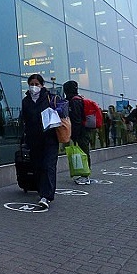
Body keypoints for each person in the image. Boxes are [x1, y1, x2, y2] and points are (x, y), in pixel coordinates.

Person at [20, 74, 61, 209]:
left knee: (49, 166)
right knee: (37, 166)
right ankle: (41, 190)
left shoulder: (49, 98)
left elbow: (62, 113)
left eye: (37, 84)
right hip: (34, 140)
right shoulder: (26, 101)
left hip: (50, 139)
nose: (34, 87)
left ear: (42, 85)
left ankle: (46, 196)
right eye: (32, 84)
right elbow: (24, 120)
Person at [63, 81, 91, 185]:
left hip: (80, 131)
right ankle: (84, 173)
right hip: (82, 131)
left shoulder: (74, 101)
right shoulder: (77, 99)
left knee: (83, 152)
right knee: (83, 151)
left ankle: (85, 175)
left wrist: (74, 135)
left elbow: (76, 119)